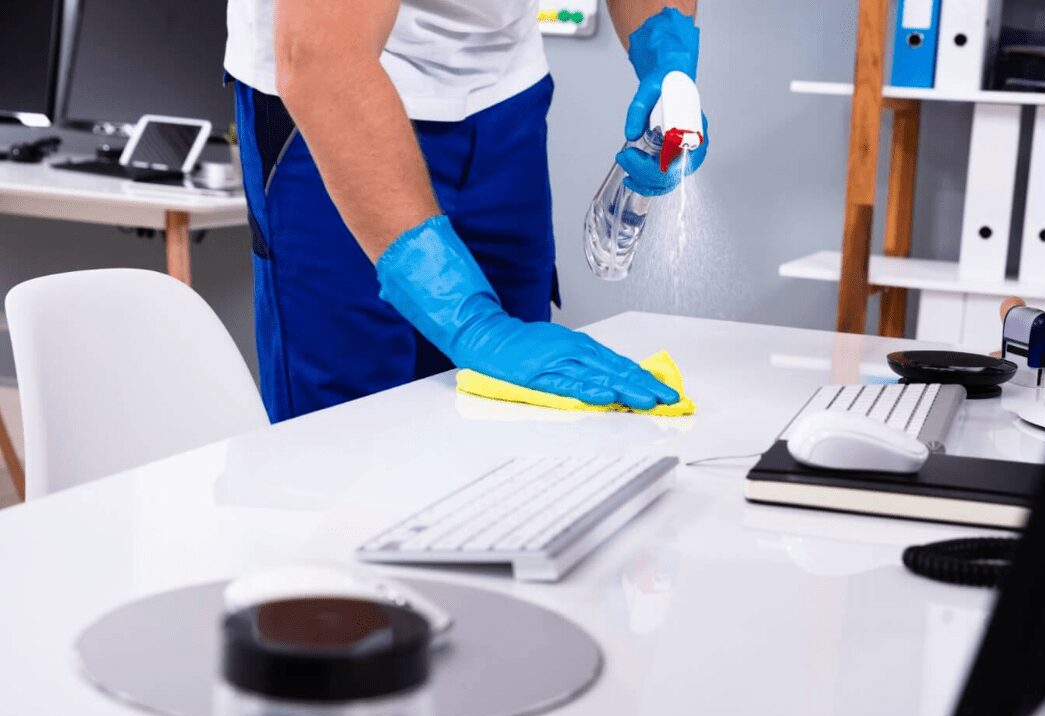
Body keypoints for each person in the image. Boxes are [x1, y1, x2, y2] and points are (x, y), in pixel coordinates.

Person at [224, 1, 708, 422]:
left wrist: (666, 51)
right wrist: (470, 322)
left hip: (502, 93)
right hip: (333, 92)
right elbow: (322, 59)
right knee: (346, 437)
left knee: (517, 416)